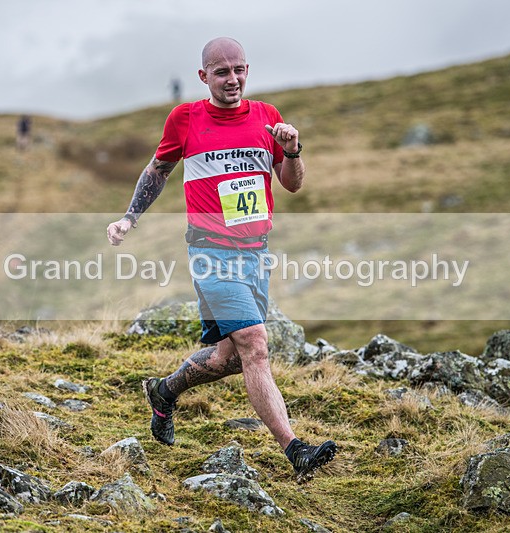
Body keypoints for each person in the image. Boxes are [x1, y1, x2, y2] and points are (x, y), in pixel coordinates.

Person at [106, 37, 337, 482]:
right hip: (210, 251)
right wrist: (129, 219)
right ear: (204, 77)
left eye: (239, 70)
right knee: (255, 344)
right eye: (221, 72)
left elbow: (291, 185)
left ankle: (164, 391)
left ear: (247, 70)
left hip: (255, 254)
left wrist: (291, 151)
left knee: (232, 356)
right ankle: (295, 449)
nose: (232, 79)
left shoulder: (268, 117)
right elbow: (158, 170)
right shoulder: (186, 118)